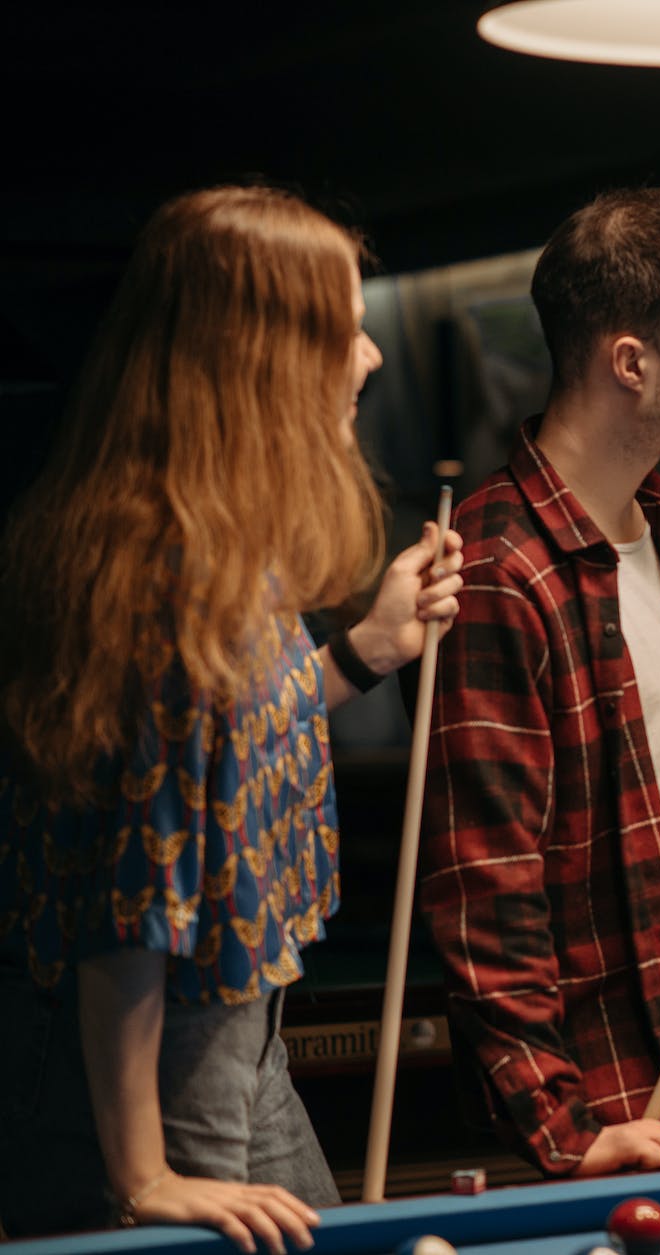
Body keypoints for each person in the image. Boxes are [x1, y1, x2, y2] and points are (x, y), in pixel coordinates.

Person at [0, 185, 464, 1250]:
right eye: (346, 329)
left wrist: (365, 652)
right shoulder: (165, 582)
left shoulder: (221, 550)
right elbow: (126, 914)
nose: (370, 356)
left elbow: (228, 744)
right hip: (145, 1062)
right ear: (267, 355)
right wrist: (144, 1175)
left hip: (233, 1030)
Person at [419, 187, 660, 1179]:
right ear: (631, 362)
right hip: (606, 1106)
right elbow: (485, 890)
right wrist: (563, 1127)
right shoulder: (498, 568)